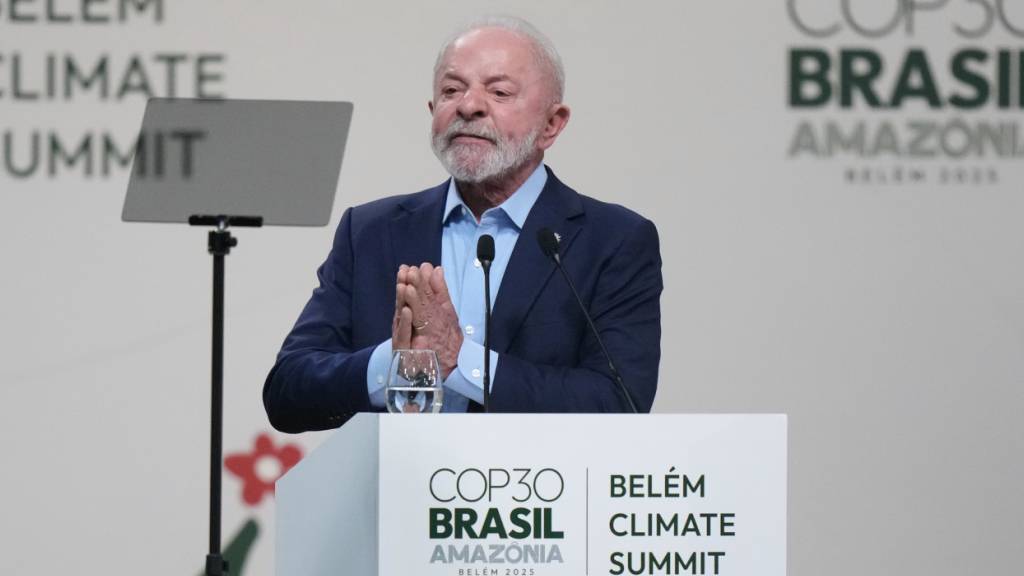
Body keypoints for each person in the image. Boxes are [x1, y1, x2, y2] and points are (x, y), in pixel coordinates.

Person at [264, 16, 662, 432]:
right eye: (451, 90)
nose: (468, 106)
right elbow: (287, 392)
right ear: (432, 111)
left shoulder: (612, 240)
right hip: (395, 474)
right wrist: (395, 363)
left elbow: (619, 403)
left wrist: (461, 361)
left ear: (552, 124)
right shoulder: (370, 231)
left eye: (499, 92)